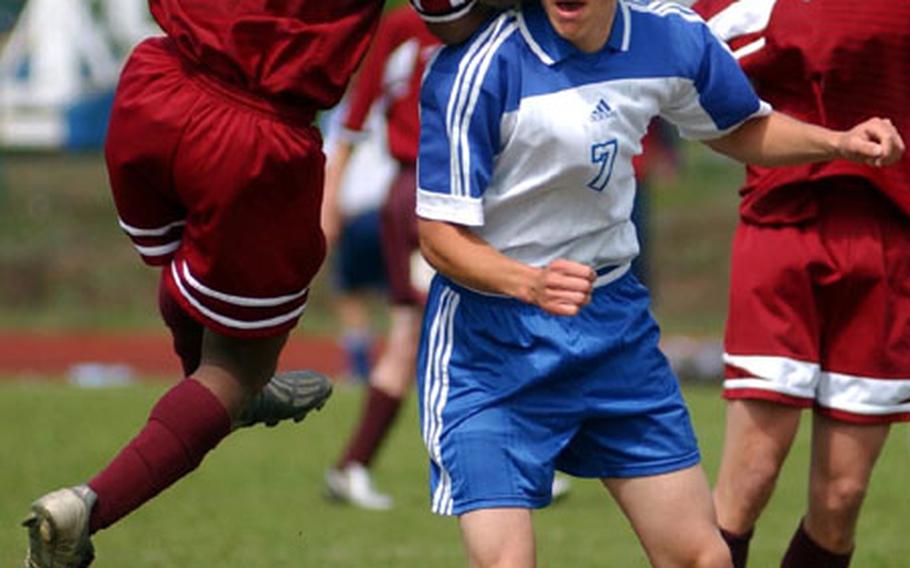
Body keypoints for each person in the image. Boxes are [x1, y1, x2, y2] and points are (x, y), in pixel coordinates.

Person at [415, 1, 903, 567]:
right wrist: (527, 282)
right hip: (493, 343)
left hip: (610, 332)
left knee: (704, 558)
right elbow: (438, 236)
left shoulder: (669, 37)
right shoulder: (478, 68)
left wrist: (838, 143)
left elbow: (740, 127)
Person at [20, 1, 493, 567]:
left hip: (157, 78)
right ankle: (87, 506)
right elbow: (448, 15)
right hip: (254, 131)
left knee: (190, 269)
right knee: (237, 368)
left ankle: (218, 386)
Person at [689, 1, 910, 566]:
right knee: (751, 478)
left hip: (890, 236)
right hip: (784, 225)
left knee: (842, 499)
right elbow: (702, 73)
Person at [322, 100, 396, 385]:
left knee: (348, 291)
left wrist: (328, 212)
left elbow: (331, 165)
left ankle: (361, 364)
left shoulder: (342, 112)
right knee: (399, 294)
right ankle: (398, 362)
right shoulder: (394, 105)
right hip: (392, 207)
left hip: (357, 210)